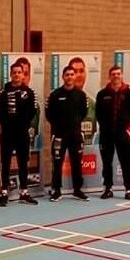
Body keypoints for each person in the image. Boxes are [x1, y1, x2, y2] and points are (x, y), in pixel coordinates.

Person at [0, 63, 39, 206]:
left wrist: (22, 123)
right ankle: (4, 193)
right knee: (5, 163)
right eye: (14, 72)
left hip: (22, 134)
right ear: (11, 74)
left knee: (23, 163)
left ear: (23, 74)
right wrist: (7, 123)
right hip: (7, 134)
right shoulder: (2, 92)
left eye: (19, 72)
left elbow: (33, 110)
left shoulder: (29, 92)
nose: (17, 75)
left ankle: (24, 193)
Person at [95, 65, 130, 201]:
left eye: (118, 73)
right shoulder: (102, 94)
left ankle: (129, 190)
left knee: (126, 162)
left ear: (122, 75)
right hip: (106, 134)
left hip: (122, 133)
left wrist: (122, 127)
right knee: (107, 162)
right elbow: (98, 114)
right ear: (110, 76)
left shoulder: (129, 93)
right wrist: (106, 128)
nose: (116, 76)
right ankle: (108, 188)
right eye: (113, 74)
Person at [46, 65, 89, 201]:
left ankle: (77, 190)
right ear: (63, 77)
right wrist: (59, 126)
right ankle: (57, 190)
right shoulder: (55, 95)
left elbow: (84, 113)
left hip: (75, 135)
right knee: (57, 163)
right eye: (67, 75)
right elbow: (49, 114)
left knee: (76, 162)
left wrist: (74, 123)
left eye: (71, 74)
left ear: (74, 76)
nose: (69, 77)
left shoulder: (81, 95)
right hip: (59, 135)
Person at [68, 57, 97, 145]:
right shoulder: (60, 100)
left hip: (88, 151)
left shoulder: (92, 104)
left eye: (81, 71)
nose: (79, 75)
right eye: (75, 71)